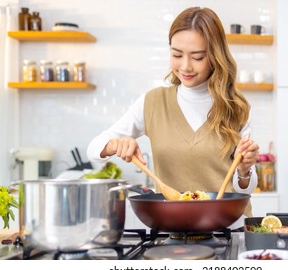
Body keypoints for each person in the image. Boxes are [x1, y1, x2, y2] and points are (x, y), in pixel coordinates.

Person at [87, 7, 259, 218]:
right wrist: (114, 144)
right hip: (173, 228)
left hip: (229, 228)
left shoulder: (236, 107)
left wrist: (244, 171)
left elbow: (245, 189)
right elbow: (93, 148)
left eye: (197, 57)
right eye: (177, 54)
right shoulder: (152, 102)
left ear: (215, 56)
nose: (185, 66)